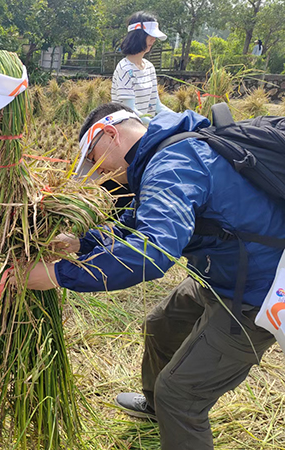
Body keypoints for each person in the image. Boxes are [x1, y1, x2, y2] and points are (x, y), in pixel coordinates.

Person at [23, 102, 283, 450]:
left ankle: (172, 409)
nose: (102, 172)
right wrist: (81, 244)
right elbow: (138, 220)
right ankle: (157, 409)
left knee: (180, 395)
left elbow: (152, 252)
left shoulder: (172, 162)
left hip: (258, 290)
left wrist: (58, 274)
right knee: (163, 322)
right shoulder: (169, 149)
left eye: (96, 159)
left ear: (110, 134)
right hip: (223, 270)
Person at [111, 12, 172, 125]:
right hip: (127, 131)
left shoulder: (149, 67)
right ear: (138, 36)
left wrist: (178, 118)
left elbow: (156, 105)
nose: (154, 39)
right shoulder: (124, 69)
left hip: (144, 130)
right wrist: (157, 125)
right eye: (150, 35)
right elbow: (130, 110)